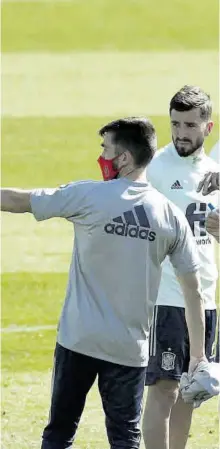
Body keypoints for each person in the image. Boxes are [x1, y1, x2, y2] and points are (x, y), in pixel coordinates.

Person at [1, 117, 207, 449]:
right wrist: (197, 354)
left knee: (59, 433)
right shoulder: (170, 216)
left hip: (78, 340)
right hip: (129, 349)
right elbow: (193, 289)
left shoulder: (88, 196)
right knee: (125, 438)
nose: (101, 157)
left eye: (105, 149)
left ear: (123, 158)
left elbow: (18, 201)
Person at [142, 86, 220, 449]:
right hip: (167, 297)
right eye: (175, 124)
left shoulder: (215, 174)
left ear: (208, 128)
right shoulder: (156, 168)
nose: (180, 133)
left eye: (190, 124)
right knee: (164, 388)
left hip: (205, 299)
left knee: (191, 388)